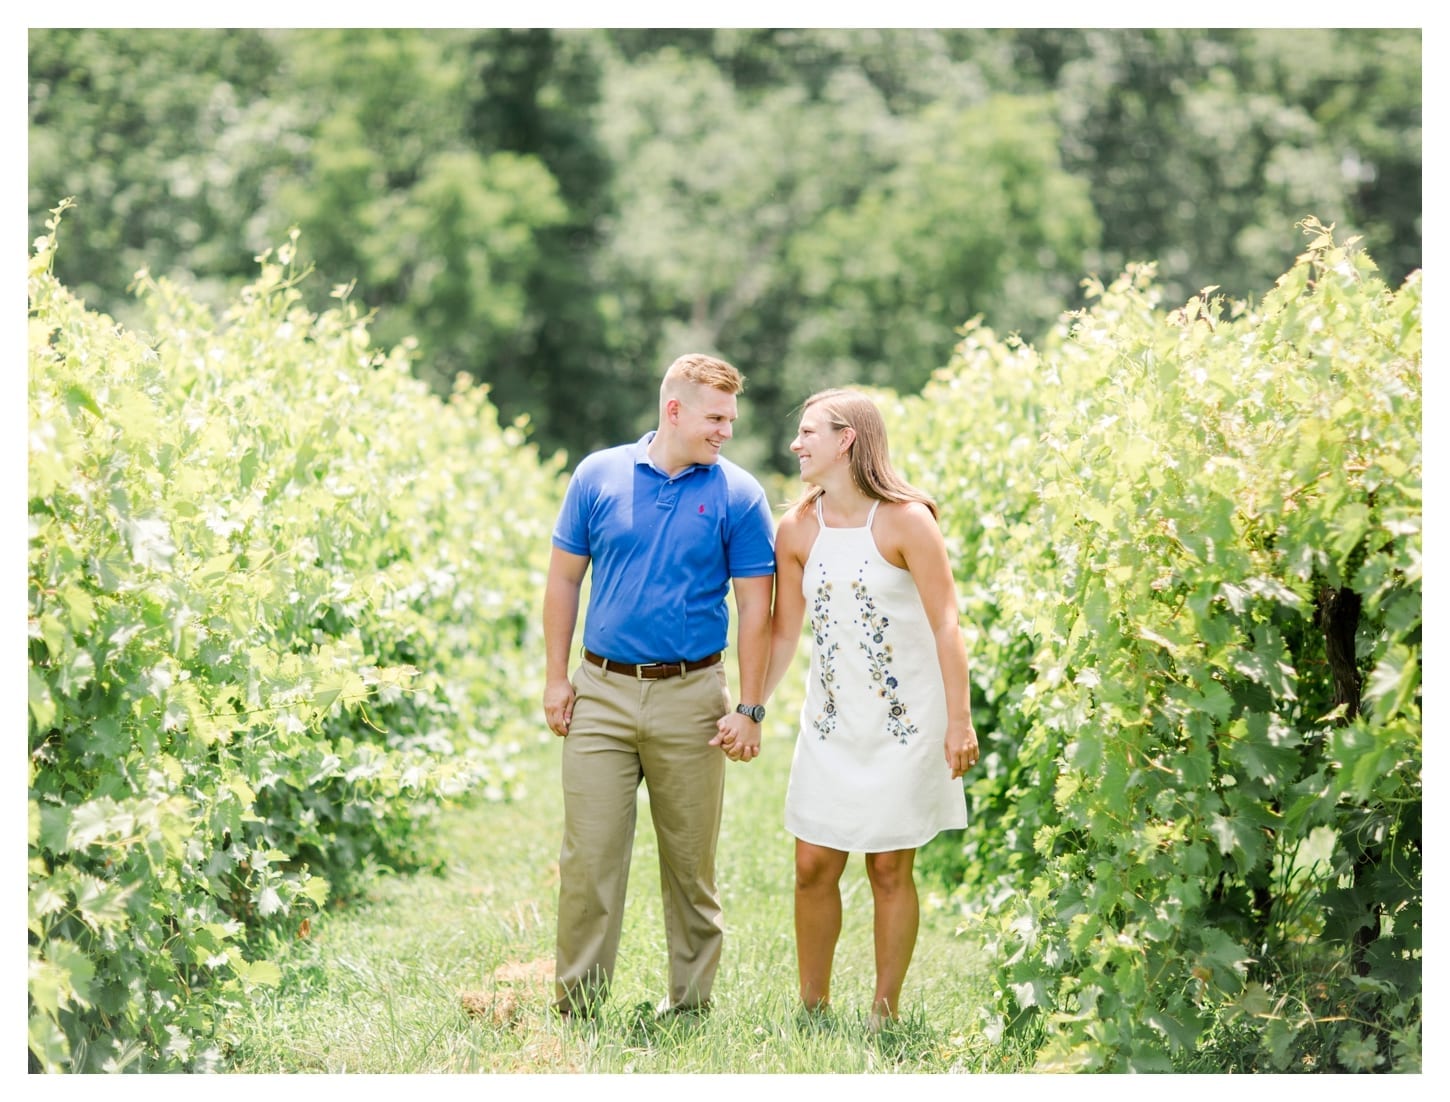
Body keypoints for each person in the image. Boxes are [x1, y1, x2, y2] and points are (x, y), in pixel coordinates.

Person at [719, 387, 978, 1030]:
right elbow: (783, 631)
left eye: (809, 432)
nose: (796, 444)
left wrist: (960, 720)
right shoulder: (797, 528)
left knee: (890, 867)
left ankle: (884, 1014)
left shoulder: (907, 520)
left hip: (904, 725)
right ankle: (813, 1008)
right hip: (830, 724)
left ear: (848, 440)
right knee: (813, 864)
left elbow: (947, 624)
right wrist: (751, 707)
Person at [542, 353, 776, 1020]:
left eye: (732, 417)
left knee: (689, 869)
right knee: (588, 859)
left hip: (693, 698)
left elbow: (756, 607)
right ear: (674, 411)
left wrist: (751, 708)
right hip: (601, 693)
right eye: (716, 417)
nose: (727, 429)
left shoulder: (738, 494)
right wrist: (557, 678)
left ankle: (691, 1006)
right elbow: (563, 580)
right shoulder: (598, 476)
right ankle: (577, 1007)